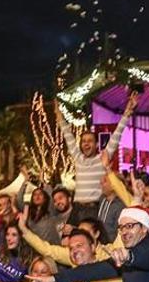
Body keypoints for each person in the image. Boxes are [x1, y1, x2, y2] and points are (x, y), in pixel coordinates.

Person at [57, 91, 137, 220]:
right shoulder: (78, 157)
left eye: (90, 141)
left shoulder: (102, 158)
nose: (86, 144)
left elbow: (116, 136)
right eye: (83, 141)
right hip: (77, 208)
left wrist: (127, 113)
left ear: (96, 144)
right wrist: (58, 114)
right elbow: (67, 133)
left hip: (94, 208)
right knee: (67, 238)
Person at [15, 165, 62, 245]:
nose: (37, 196)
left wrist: (42, 181)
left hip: (50, 250)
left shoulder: (50, 211)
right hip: (34, 250)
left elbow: (50, 195)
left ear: (45, 198)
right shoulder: (28, 213)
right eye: (35, 195)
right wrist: (25, 181)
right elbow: (19, 199)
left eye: (40, 194)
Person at [96, 172, 126, 244]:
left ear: (114, 185)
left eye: (105, 181)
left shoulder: (120, 205)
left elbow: (118, 231)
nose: (101, 184)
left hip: (111, 246)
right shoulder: (101, 199)